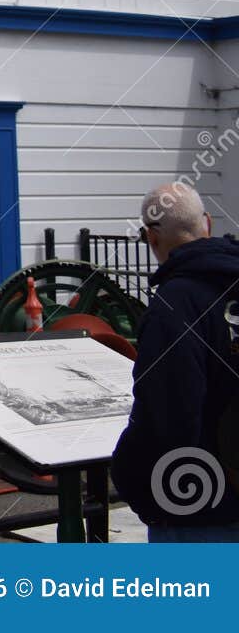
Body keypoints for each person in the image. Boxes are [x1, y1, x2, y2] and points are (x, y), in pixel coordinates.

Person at [111, 183, 239, 541]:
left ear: (151, 237)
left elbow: (167, 417)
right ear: (207, 223)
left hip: (201, 514)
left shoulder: (174, 305)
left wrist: (130, 477)